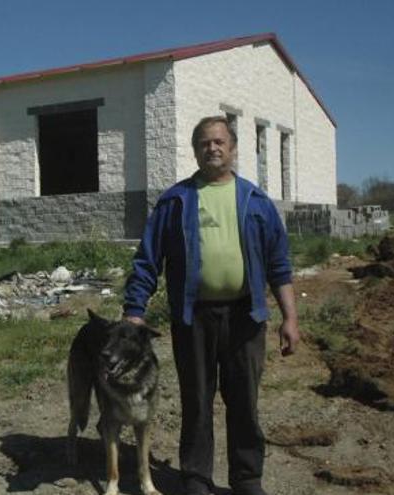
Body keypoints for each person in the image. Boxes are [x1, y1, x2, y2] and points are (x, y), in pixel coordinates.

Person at [122, 116, 300, 495]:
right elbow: (147, 260)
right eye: (204, 143)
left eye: (219, 142)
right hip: (194, 318)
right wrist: (134, 311)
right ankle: (196, 477)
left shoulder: (256, 202)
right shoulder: (175, 201)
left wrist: (290, 318)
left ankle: (247, 478)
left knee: (244, 401)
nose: (212, 148)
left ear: (233, 148)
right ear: (195, 151)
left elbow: (279, 264)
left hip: (245, 316)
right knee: (197, 400)